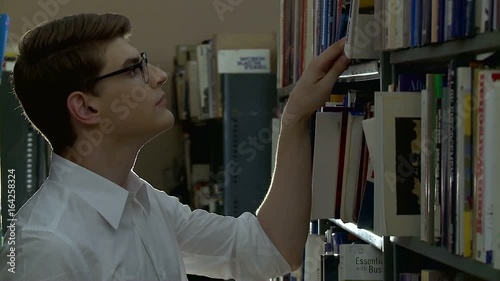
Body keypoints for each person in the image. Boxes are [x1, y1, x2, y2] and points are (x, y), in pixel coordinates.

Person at [0, 13, 350, 281]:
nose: (158, 75)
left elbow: (269, 249)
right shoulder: (44, 246)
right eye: (134, 68)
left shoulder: (144, 202)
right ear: (87, 108)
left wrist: (294, 119)